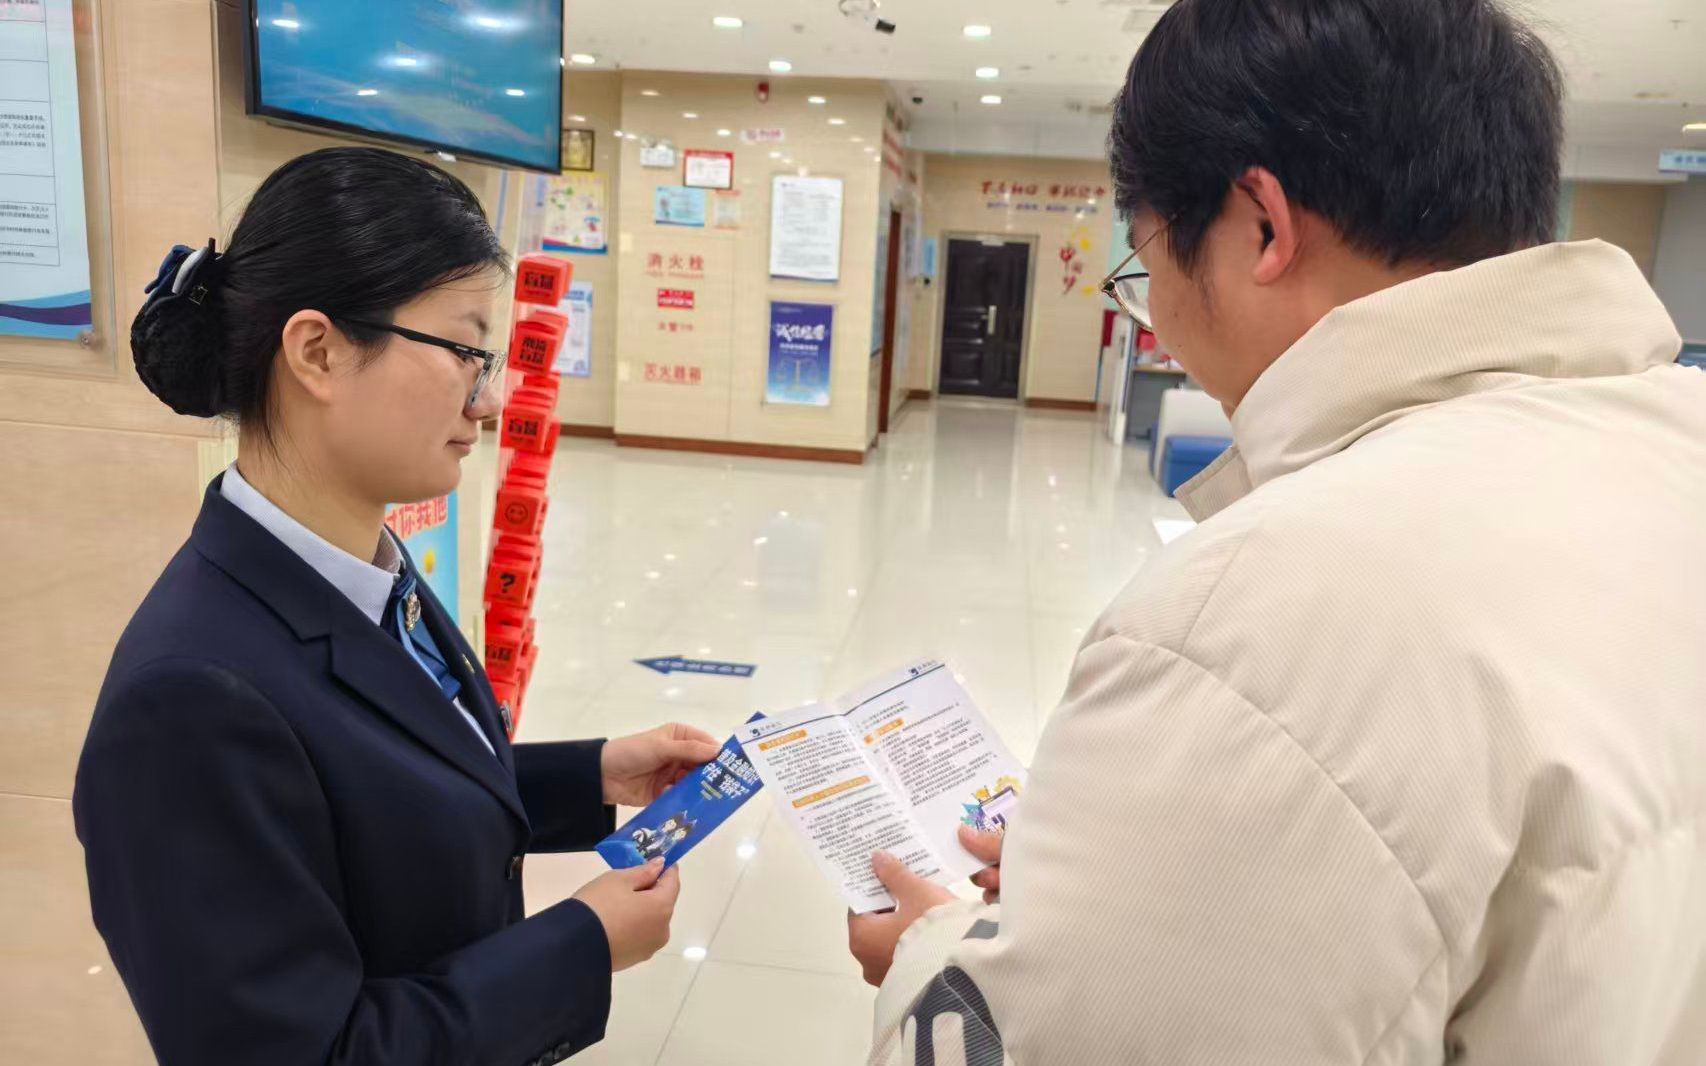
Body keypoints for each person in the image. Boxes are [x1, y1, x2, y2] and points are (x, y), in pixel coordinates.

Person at [848, 0, 1706, 1062]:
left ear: (1259, 223)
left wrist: (935, 944)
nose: (1158, 319)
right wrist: (1136, 873)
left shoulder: (1258, 621)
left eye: (1146, 262)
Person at [74, 147, 720, 1066]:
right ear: (318, 351)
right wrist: (581, 945)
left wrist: (591, 777)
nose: (490, 398)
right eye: (466, 351)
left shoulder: (359, 569)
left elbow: (370, 789)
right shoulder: (186, 702)